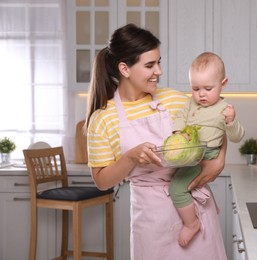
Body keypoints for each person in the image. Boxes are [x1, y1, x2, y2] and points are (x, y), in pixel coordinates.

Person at [85, 23, 228, 260]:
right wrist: (130, 157)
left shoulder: (174, 99)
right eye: (150, 65)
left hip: (194, 206)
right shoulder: (103, 119)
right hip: (152, 221)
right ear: (125, 69)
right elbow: (101, 181)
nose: (159, 71)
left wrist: (220, 160)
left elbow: (217, 120)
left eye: (159, 62)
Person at [169, 52, 245, 247]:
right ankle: (206, 207)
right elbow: (179, 117)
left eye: (208, 88)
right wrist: (178, 130)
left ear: (223, 83)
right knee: (190, 183)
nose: (201, 94)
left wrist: (231, 121)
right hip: (191, 153)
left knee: (177, 188)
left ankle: (191, 224)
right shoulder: (190, 103)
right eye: (195, 88)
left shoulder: (224, 108)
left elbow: (237, 136)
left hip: (206, 155)